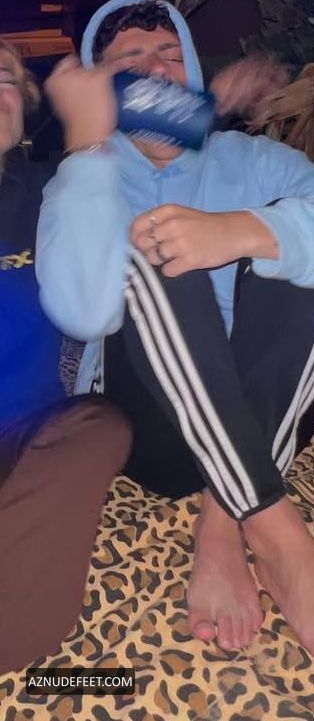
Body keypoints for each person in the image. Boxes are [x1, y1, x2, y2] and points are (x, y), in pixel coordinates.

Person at [37, 0, 314, 679]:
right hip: (152, 428)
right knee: (151, 254)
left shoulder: (248, 158)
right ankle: (280, 538)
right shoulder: (83, 172)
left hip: (267, 410)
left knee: (310, 254)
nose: (157, 69)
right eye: (130, 60)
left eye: (170, 53)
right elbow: (83, 314)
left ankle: (223, 520)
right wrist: (88, 148)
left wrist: (244, 230)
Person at [0, 39, 132, 675]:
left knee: (101, 427)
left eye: (4, 75)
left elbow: (90, 310)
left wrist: (85, 150)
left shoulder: (54, 189)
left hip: (32, 437)